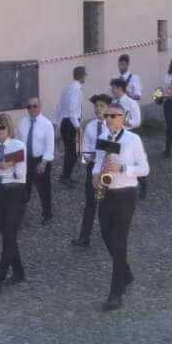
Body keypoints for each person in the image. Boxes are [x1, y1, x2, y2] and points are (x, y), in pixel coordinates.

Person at [94, 103, 149, 310]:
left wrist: (122, 168)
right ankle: (125, 272)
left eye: (113, 116)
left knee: (119, 242)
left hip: (125, 194)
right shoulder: (103, 138)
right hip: (106, 192)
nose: (108, 119)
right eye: (106, 116)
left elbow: (144, 169)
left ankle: (116, 293)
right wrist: (95, 176)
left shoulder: (133, 140)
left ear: (122, 118)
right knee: (106, 236)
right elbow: (97, 163)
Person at [0, 112, 28, 292]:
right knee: (7, 235)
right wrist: (1, 166)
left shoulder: (18, 146)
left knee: (9, 235)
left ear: (8, 128)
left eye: (2, 127)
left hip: (15, 192)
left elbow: (20, 173)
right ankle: (19, 272)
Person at [71, 93, 111, 250]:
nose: (98, 109)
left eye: (102, 106)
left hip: (108, 169)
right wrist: (86, 157)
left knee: (107, 204)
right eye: (96, 106)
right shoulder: (90, 126)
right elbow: (86, 148)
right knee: (90, 203)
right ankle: (84, 237)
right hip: (93, 169)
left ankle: (111, 235)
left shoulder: (113, 125)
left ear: (108, 108)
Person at [18, 97, 55, 225]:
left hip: (40, 160)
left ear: (40, 107)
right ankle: (19, 216)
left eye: (35, 106)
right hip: (25, 160)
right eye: (29, 107)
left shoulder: (47, 124)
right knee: (23, 189)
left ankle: (47, 214)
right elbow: (18, 142)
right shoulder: (22, 122)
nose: (32, 109)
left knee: (43, 190)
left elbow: (50, 146)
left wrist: (44, 163)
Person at [54, 66, 86, 186]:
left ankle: (66, 176)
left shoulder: (67, 88)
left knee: (70, 151)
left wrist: (57, 122)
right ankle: (65, 177)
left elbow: (59, 106)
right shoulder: (76, 90)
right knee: (73, 152)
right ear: (82, 76)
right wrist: (77, 127)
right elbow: (72, 111)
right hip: (71, 123)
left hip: (66, 122)